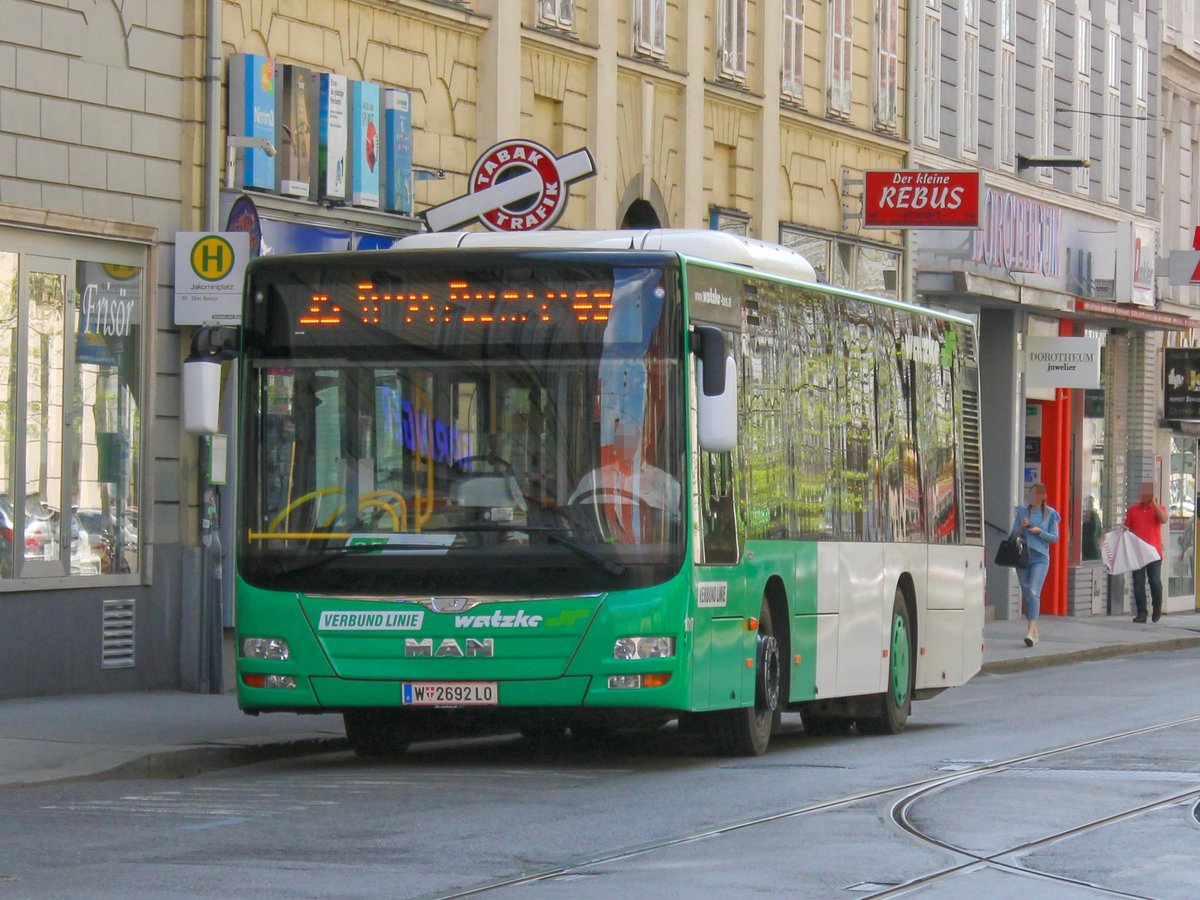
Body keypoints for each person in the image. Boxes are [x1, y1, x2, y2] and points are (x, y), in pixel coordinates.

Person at [569, 421, 680, 540]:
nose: (626, 445)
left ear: (644, 442)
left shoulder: (665, 483)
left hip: (649, 550)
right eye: (621, 440)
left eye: (631, 439)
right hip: (597, 548)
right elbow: (572, 517)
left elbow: (674, 527)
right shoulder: (593, 480)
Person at [1009, 483, 1060, 647]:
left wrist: (1040, 532)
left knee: (1033, 591)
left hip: (1040, 558)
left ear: (1043, 496)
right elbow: (1012, 535)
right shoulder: (1022, 512)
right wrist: (1021, 528)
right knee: (1026, 592)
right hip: (1023, 557)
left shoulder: (1050, 514)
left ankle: (1030, 632)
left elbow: (1055, 538)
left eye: (1037, 494)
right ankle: (1034, 629)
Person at [1123, 481, 1168, 623]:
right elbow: (1126, 527)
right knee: (1138, 583)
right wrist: (1122, 531)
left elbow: (1164, 520)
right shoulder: (1133, 510)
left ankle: (1157, 606)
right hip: (1137, 553)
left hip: (1154, 552)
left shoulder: (1159, 508)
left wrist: (1154, 504)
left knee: (1154, 581)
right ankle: (1141, 612)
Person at [1081, 495, 1103, 561]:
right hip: (1088, 543)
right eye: (1089, 502)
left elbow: (1098, 530)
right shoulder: (1091, 514)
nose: (1091, 504)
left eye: (1091, 502)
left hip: (1090, 543)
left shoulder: (1094, 515)